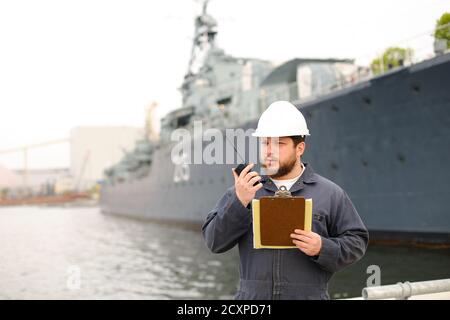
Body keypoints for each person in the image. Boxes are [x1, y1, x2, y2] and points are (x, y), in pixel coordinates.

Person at [202, 100, 369, 300]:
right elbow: (214, 242)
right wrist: (239, 202)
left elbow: (357, 241)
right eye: (265, 143)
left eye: (279, 144)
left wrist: (322, 248)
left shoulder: (331, 194)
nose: (269, 151)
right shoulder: (243, 191)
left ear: (300, 148)